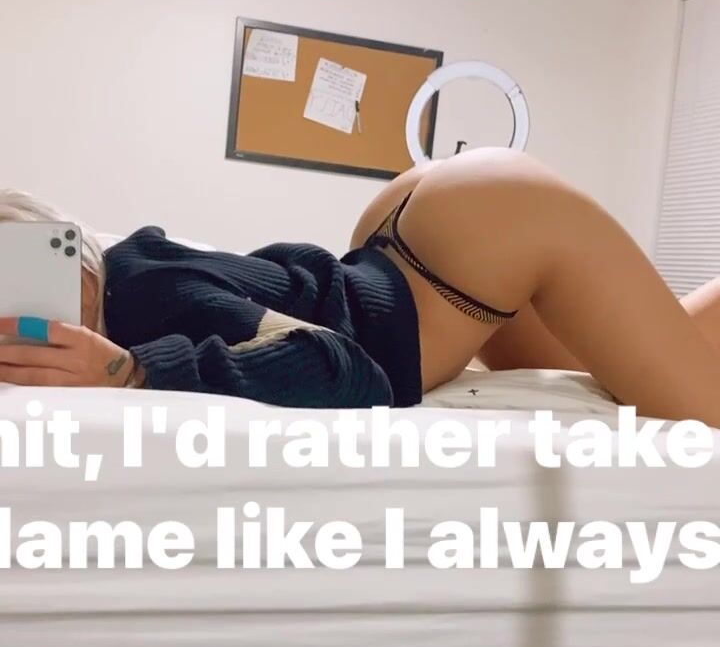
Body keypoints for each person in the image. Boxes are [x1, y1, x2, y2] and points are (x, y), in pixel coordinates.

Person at [1, 148, 720, 426]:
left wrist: (135, 372)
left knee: (704, 409)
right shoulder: (132, 280)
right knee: (643, 376)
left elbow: (350, 369)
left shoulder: (142, 292)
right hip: (434, 241)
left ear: (73, 256)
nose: (22, 321)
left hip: (482, 239)